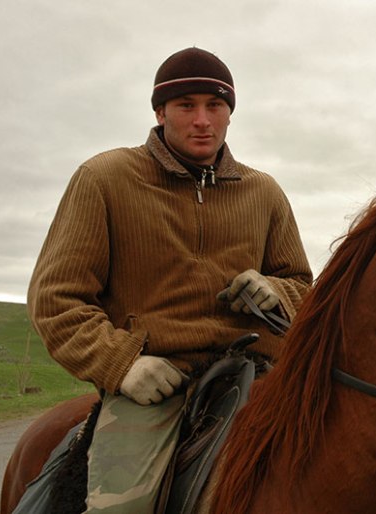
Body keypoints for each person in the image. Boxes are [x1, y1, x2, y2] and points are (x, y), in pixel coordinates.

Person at [26, 47, 313, 513]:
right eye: (186, 106)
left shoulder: (265, 192)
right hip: (157, 381)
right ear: (160, 112)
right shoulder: (105, 179)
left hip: (261, 372)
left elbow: (302, 285)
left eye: (215, 106)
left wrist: (275, 290)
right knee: (122, 509)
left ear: (229, 114)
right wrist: (122, 365)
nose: (202, 120)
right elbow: (56, 300)